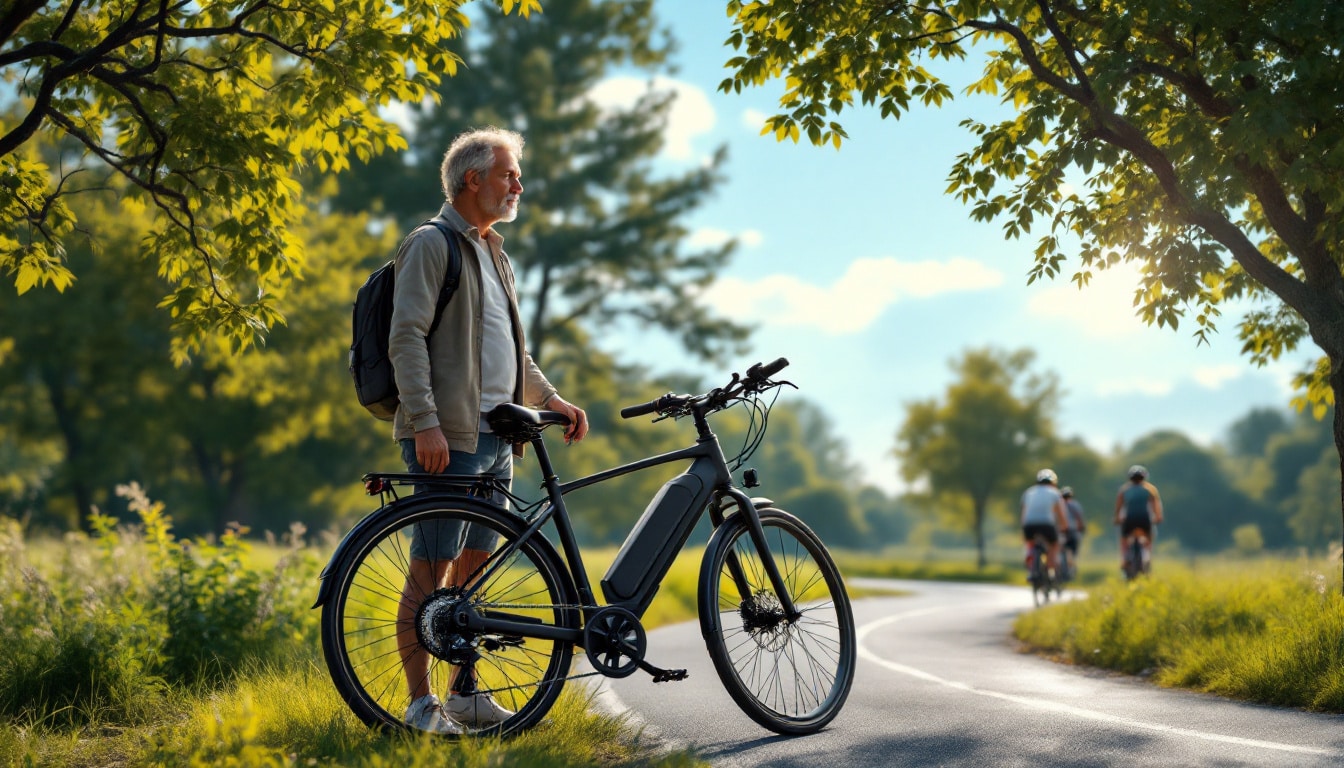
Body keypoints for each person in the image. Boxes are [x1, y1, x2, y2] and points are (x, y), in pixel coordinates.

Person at [389, 127, 589, 735]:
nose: (517, 185)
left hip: (499, 437)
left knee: (473, 575)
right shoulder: (431, 244)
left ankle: (466, 694)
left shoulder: (495, 251)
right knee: (432, 568)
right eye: (508, 174)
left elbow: (509, 352)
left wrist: (551, 398)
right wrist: (425, 423)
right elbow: (407, 339)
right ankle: (421, 705)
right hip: (449, 436)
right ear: (472, 179)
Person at [1113, 465, 1163, 576]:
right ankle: (1148, 557)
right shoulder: (1150, 489)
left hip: (1129, 518)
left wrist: (1116, 518)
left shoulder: (1124, 489)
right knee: (1149, 537)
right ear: (1144, 478)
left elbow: (1119, 506)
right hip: (1144, 518)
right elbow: (1156, 505)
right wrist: (1158, 517)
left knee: (1124, 539)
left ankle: (1125, 559)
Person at [1021, 468, 1069, 576]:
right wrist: (1065, 527)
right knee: (1054, 544)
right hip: (1046, 524)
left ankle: (1030, 557)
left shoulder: (1029, 492)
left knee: (1030, 542)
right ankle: (1050, 566)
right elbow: (1061, 514)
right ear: (1053, 483)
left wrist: (1024, 527)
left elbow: (1024, 514)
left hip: (1029, 524)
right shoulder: (1055, 493)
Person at [1059, 486, 1087, 581]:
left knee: (1060, 549)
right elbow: (1079, 518)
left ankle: (1060, 567)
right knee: (1073, 551)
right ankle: (1071, 566)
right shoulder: (1075, 505)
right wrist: (1081, 527)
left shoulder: (1058, 504)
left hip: (1061, 531)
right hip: (1072, 531)